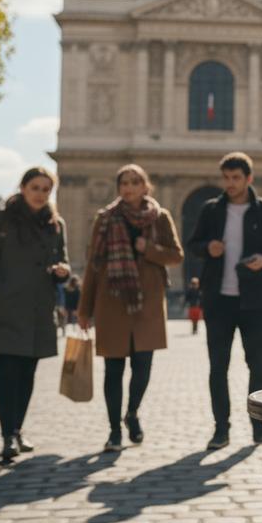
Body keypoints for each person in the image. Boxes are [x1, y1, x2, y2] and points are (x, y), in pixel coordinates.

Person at [186, 152, 262, 450]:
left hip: (254, 300)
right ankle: (221, 429)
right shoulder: (210, 210)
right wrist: (208, 247)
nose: (230, 183)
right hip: (218, 300)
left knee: (257, 366)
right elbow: (193, 245)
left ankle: (257, 421)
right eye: (226, 178)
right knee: (217, 367)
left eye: (236, 178)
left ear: (248, 178)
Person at [0, 167, 70, 463]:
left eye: (46, 189)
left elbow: (62, 259)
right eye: (35, 187)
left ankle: (17, 429)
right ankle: (7, 436)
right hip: (5, 308)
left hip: (38, 309)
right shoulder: (0, 219)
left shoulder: (56, 224)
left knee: (26, 375)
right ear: (23, 188)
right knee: (6, 374)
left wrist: (63, 271)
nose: (40, 194)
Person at [78, 164, 183, 452]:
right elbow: (93, 265)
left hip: (147, 303)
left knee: (142, 368)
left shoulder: (160, 217)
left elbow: (176, 256)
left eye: (135, 182)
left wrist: (148, 249)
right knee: (113, 370)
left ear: (145, 186)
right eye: (124, 182)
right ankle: (114, 430)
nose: (129, 187)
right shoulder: (104, 219)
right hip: (112, 301)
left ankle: (132, 412)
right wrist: (84, 309)